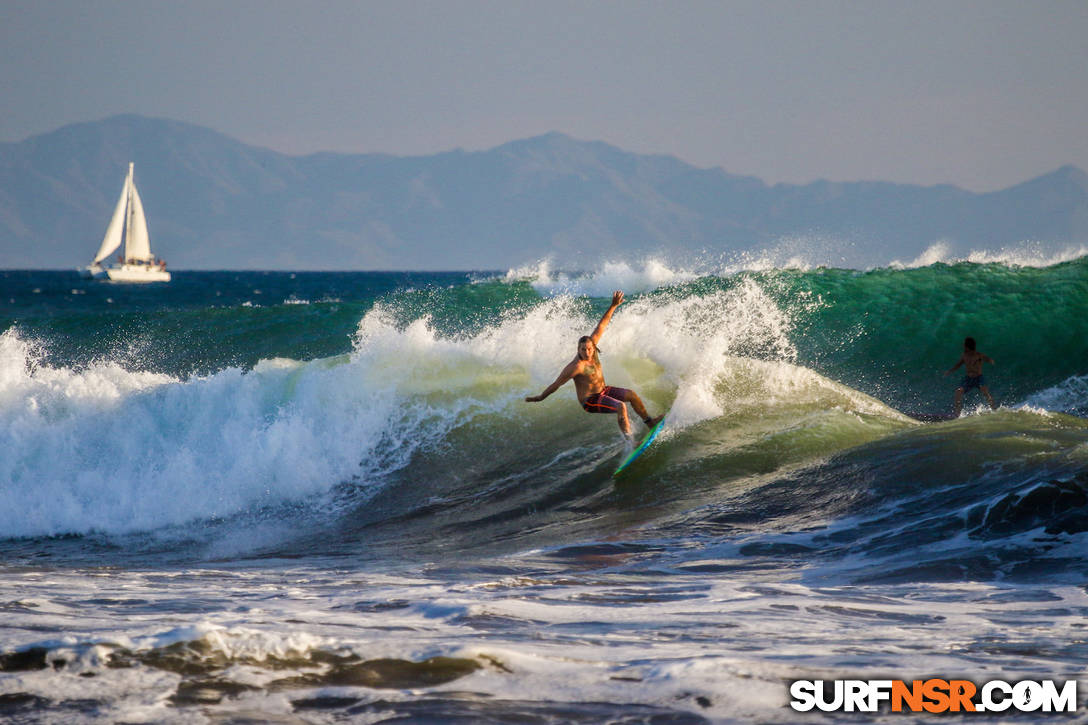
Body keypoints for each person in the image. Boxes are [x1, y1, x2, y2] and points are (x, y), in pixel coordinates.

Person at [525, 290, 662, 439]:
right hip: (590, 401)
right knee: (621, 406)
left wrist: (613, 305)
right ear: (578, 349)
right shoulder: (576, 367)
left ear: (593, 347)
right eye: (583, 350)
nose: (587, 352)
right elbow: (556, 384)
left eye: (589, 349)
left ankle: (650, 422)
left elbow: (602, 325)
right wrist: (540, 397)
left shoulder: (593, 348)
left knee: (631, 395)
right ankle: (630, 440)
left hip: (603, 390)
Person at [944, 336, 996, 415]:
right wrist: (950, 371)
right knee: (958, 392)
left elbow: (988, 359)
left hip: (979, 378)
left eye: (964, 345)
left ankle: (993, 409)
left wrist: (990, 361)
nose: (963, 346)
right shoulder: (964, 355)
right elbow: (959, 364)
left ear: (968, 346)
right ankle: (957, 414)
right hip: (968, 379)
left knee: (984, 390)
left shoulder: (978, 355)